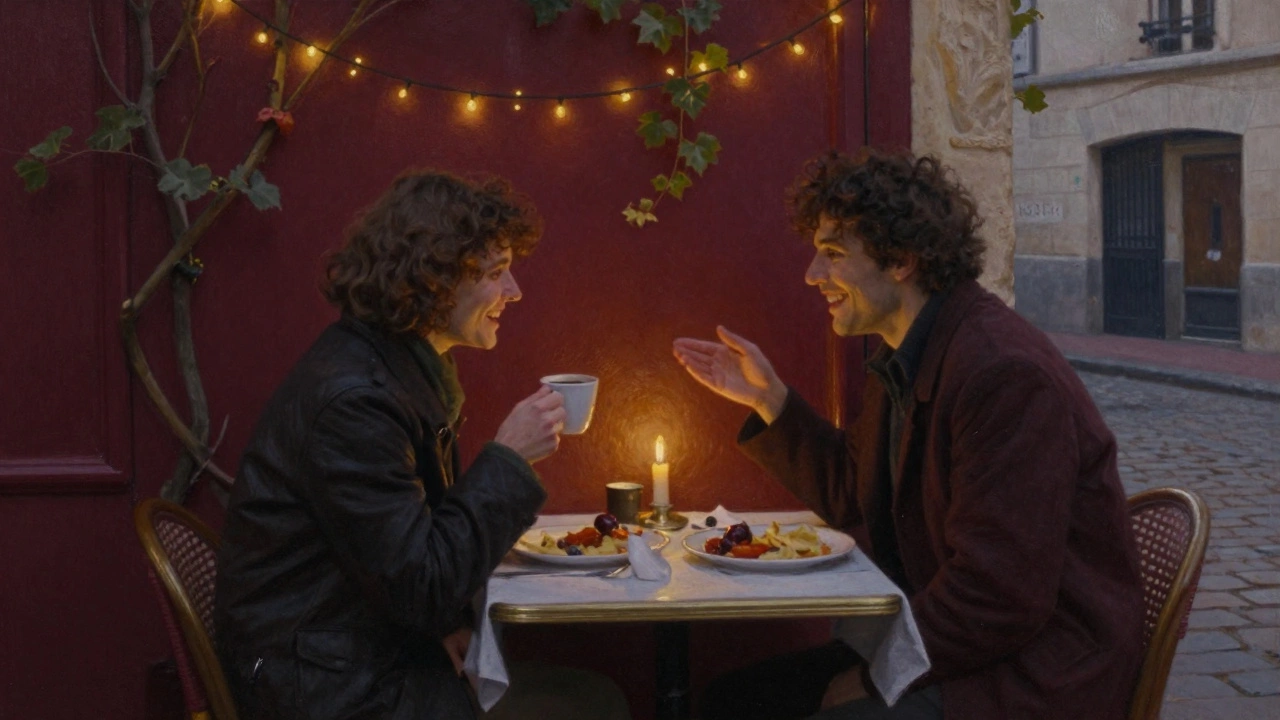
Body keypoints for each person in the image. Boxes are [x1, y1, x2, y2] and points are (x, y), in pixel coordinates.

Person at [673, 149, 1145, 720]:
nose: (812, 274)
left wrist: (872, 675)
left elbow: (999, 595)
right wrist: (768, 399)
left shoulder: (1002, 374)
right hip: (966, 651)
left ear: (901, 259)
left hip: (1038, 676)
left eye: (833, 254)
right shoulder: (911, 350)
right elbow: (853, 493)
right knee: (732, 701)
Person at [215, 170, 629, 720]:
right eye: (497, 273)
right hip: (324, 687)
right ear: (434, 281)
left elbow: (403, 559)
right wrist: (507, 458)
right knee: (592, 708)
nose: (514, 291)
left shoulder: (399, 370)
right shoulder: (356, 401)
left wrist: (445, 626)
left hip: (350, 652)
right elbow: (421, 584)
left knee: (591, 699)